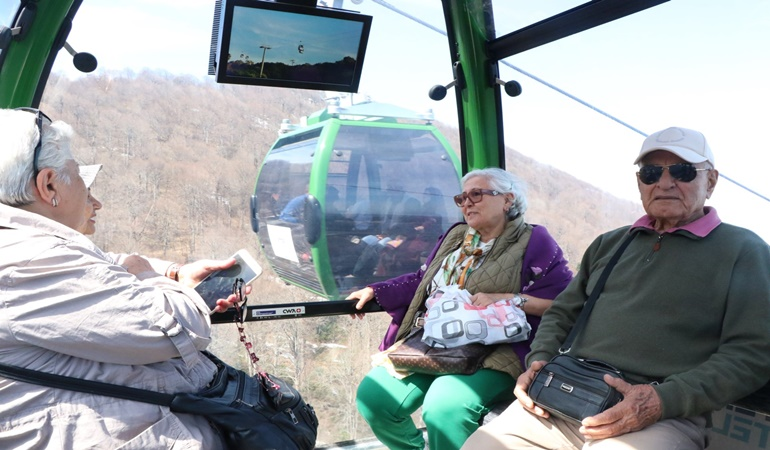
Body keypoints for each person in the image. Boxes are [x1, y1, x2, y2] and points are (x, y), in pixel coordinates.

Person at [462, 127, 770, 450]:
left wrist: (662, 400)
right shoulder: (611, 243)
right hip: (565, 395)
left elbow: (752, 353)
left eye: (682, 171)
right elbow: (562, 313)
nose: (664, 183)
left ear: (711, 181)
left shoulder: (744, 252)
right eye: (651, 173)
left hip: (661, 415)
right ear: (640, 183)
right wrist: (539, 363)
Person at [0, 108, 246, 449]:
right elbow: (177, 328)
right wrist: (150, 277)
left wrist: (173, 273)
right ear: (48, 184)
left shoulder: (21, 247)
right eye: (78, 176)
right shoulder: (25, 262)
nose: (89, 193)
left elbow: (99, 267)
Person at [347, 167, 574, 450]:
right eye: (462, 197)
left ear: (507, 200)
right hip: (439, 341)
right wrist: (376, 290)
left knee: (445, 407)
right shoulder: (456, 238)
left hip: (498, 349)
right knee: (375, 397)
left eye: (476, 194)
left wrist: (507, 298)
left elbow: (565, 304)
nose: (466, 202)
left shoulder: (534, 241)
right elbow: (423, 279)